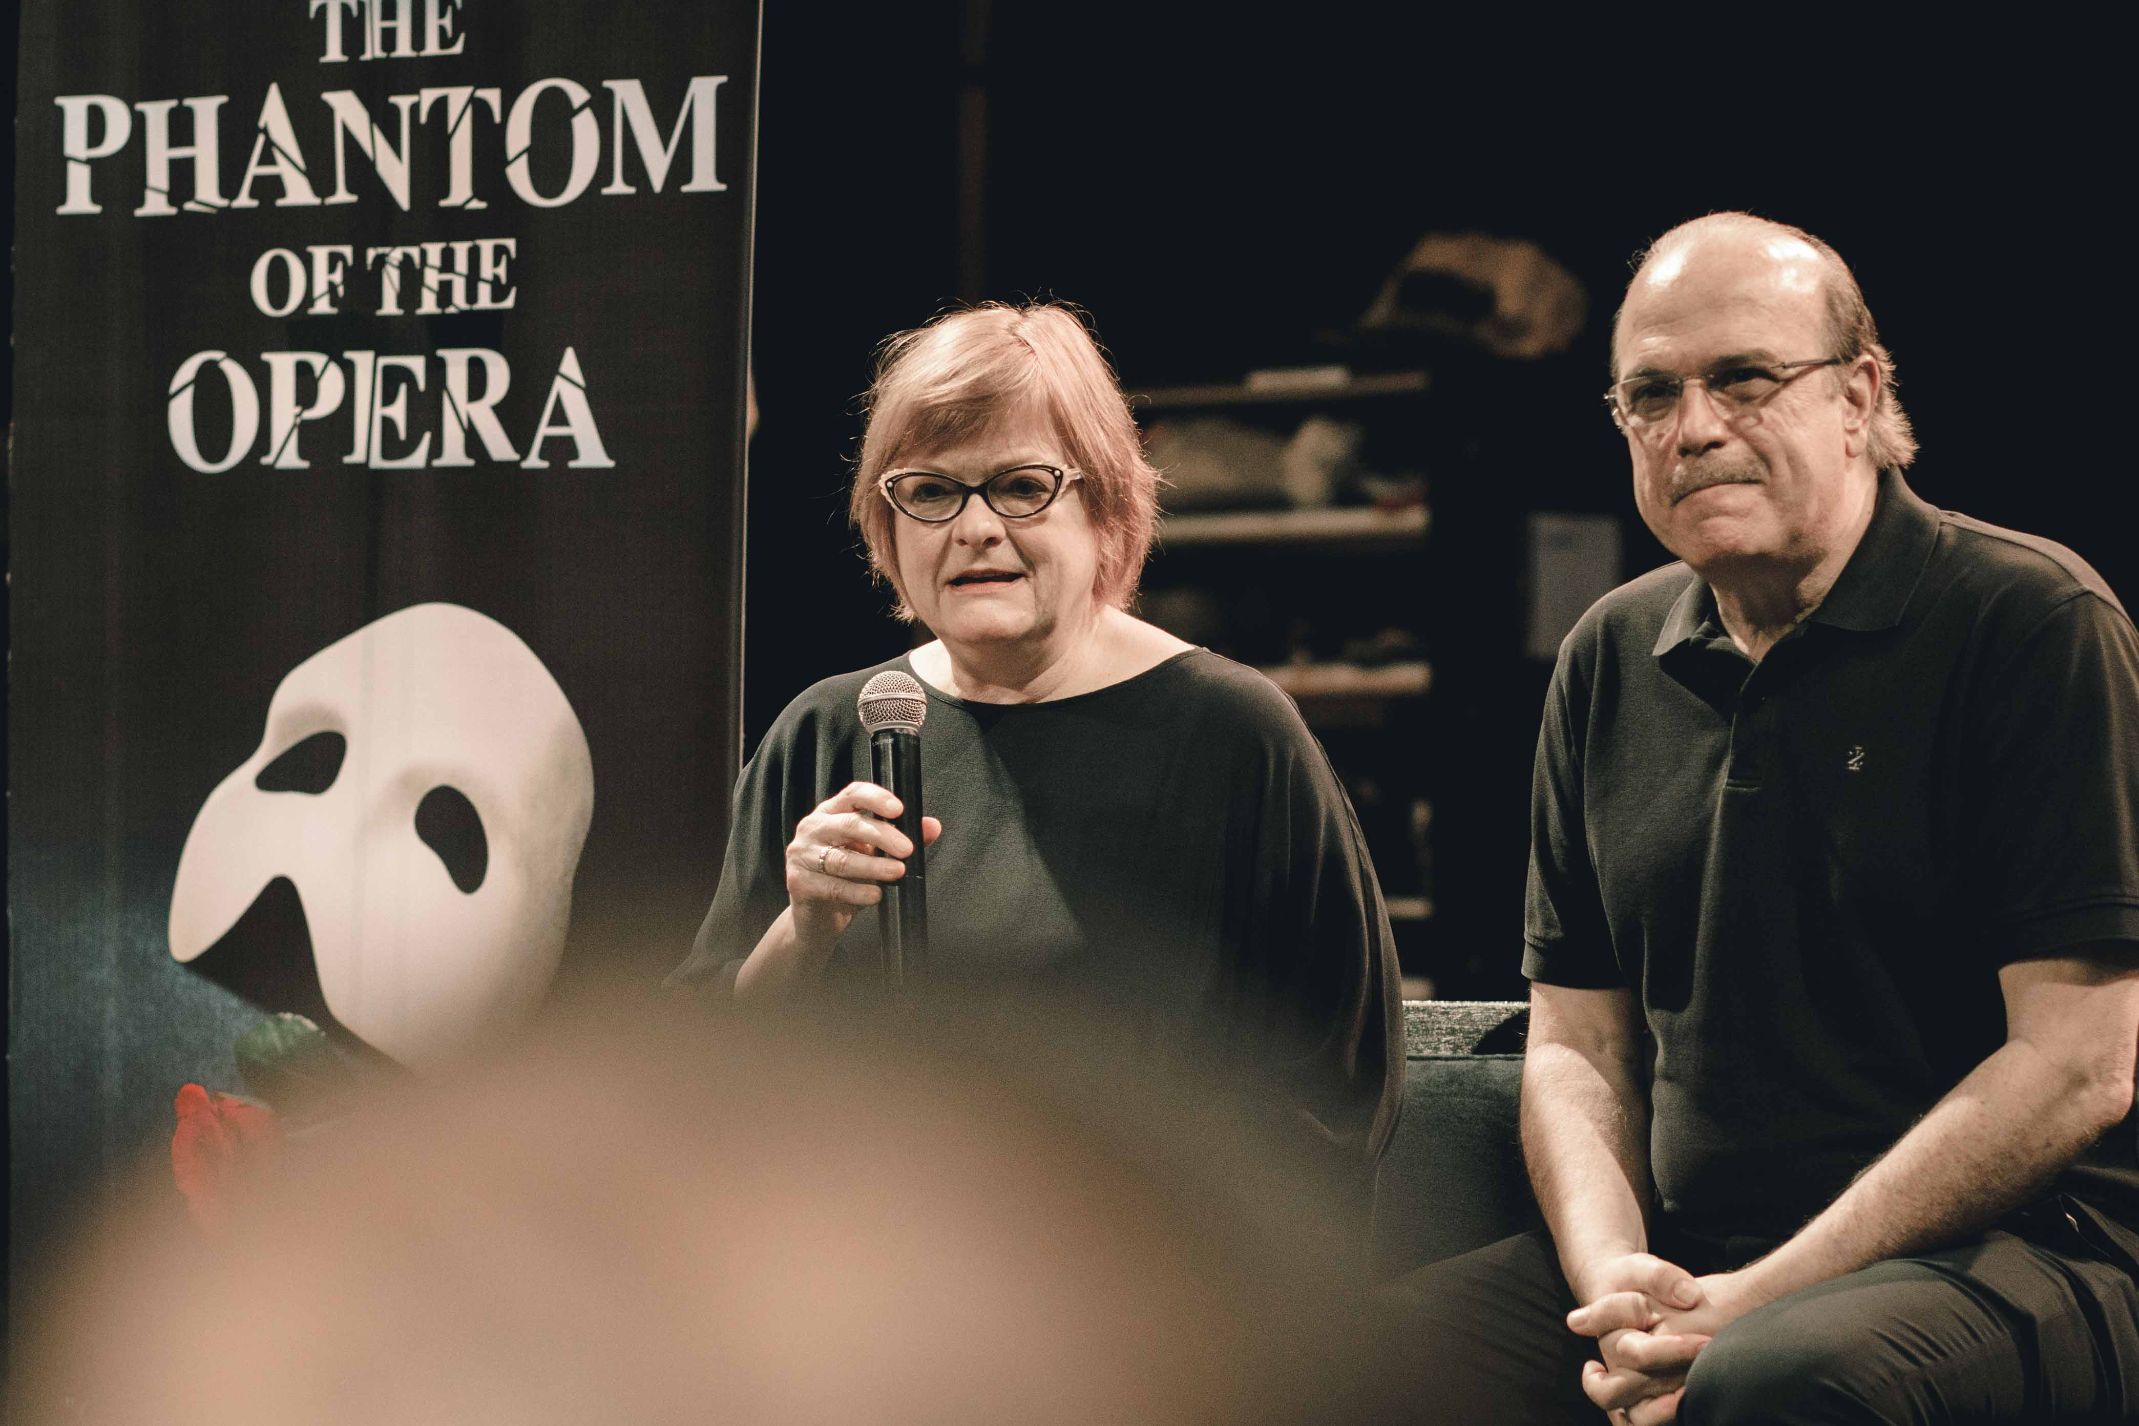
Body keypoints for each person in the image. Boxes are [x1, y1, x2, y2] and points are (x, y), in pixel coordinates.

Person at [1392, 213, 2139, 1424]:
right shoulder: (1608, 654)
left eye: (1744, 379)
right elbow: (1578, 1044)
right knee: (1340, 1359)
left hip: (2025, 1248)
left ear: (1859, 395)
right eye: (1652, 393)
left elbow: (2076, 1067)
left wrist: (1751, 1303)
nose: (1694, 427)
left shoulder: (2033, 623)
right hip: (1697, 1259)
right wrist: (1616, 1285)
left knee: (1777, 1377)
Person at [667, 301, 1403, 1179]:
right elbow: (697, 1077)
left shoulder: (1234, 734)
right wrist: (804, 932)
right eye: (930, 492)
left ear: (1105, 511)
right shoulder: (830, 728)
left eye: (1021, 486)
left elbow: (1331, 1092)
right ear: (885, 527)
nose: (976, 528)